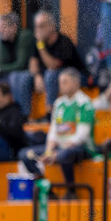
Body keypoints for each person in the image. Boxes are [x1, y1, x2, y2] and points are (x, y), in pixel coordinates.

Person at [18, 68, 97, 198]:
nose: (61, 85)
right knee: (25, 154)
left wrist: (56, 153)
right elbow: (53, 132)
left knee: (64, 155)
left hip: (81, 149)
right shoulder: (59, 104)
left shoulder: (85, 103)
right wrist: (49, 152)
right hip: (59, 148)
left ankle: (71, 190)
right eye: (60, 82)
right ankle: (46, 189)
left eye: (65, 82)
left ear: (76, 83)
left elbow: (82, 136)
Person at [26, 12, 86, 122]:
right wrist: (37, 76)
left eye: (42, 26)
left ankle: (50, 114)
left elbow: (53, 65)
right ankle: (25, 116)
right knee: (23, 77)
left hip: (78, 76)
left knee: (51, 74)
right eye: (36, 26)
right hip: (55, 77)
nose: (38, 30)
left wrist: (40, 45)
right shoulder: (39, 43)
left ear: (52, 26)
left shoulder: (64, 41)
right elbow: (32, 63)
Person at [0, 14, 35, 117]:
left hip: (28, 72)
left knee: (15, 76)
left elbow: (21, 65)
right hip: (13, 72)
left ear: (13, 27)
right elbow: (2, 62)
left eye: (3, 27)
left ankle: (21, 115)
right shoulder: (4, 40)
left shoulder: (24, 36)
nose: (0, 31)